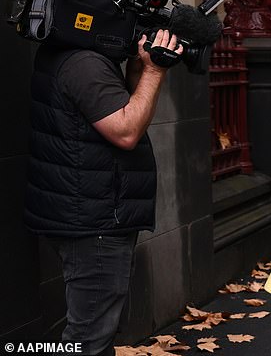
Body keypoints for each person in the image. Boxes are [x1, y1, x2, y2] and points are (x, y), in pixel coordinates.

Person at [24, 29, 183, 356]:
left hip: (87, 211)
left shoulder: (68, 53)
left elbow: (109, 110)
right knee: (89, 339)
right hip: (94, 220)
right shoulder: (85, 63)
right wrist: (154, 71)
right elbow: (126, 130)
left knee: (96, 330)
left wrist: (137, 71)